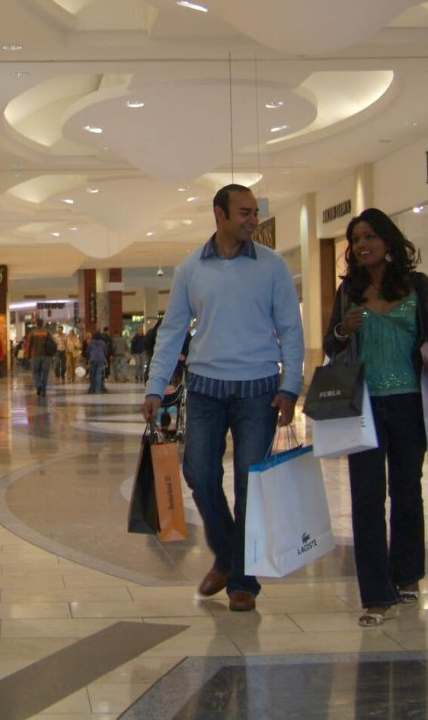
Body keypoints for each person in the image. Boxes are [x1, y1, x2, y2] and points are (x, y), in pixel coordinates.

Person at [142, 184, 304, 613]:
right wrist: (155, 386)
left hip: (259, 389)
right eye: (245, 213)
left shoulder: (272, 266)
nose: (253, 220)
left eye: (255, 213)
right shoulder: (190, 268)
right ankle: (230, 555)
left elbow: (290, 327)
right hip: (207, 388)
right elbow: (172, 331)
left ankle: (242, 581)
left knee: (250, 485)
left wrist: (291, 386)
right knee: (198, 474)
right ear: (220, 214)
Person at [322, 208, 428, 628]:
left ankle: (406, 575)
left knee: (406, 491)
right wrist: (344, 329)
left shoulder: (416, 285)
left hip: (407, 402)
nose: (362, 245)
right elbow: (331, 345)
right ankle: (375, 594)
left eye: (369, 237)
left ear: (387, 240)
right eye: (355, 239)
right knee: (365, 499)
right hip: (361, 405)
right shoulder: (348, 291)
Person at [26, 323, 55, 397]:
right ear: (43, 324)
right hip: (46, 356)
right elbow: (53, 343)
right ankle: (44, 391)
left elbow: (29, 344)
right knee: (45, 373)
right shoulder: (47, 332)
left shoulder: (32, 333)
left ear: (36, 324)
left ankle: (38, 385)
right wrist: (52, 355)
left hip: (35, 355)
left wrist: (28, 355)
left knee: (35, 372)